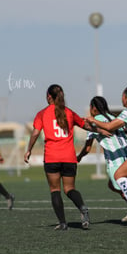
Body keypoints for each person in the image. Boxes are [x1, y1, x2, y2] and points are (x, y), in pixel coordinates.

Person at [78, 96, 127, 225]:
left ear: (93, 108)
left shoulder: (95, 121)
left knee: (121, 188)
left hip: (115, 159)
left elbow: (87, 148)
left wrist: (79, 157)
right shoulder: (113, 117)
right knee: (113, 185)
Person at [24, 84, 93, 230]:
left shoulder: (42, 113)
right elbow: (85, 125)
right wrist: (101, 129)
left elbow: (35, 133)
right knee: (70, 189)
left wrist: (28, 150)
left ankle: (62, 223)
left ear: (49, 96)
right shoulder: (69, 112)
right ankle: (82, 208)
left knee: (55, 190)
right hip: (69, 157)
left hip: (52, 157)